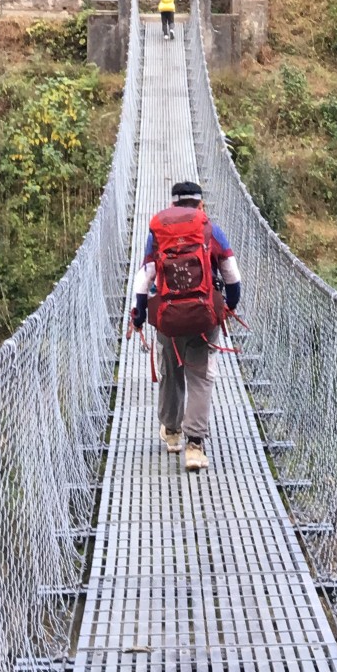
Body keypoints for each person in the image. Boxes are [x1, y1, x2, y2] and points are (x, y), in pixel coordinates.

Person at [129, 179, 240, 472]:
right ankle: (195, 446)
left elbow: (145, 278)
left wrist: (139, 315)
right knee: (201, 377)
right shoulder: (210, 229)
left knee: (171, 372)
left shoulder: (159, 232)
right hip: (204, 317)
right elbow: (232, 275)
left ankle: (173, 432)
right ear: (200, 204)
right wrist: (230, 306)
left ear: (173, 204)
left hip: (167, 317)